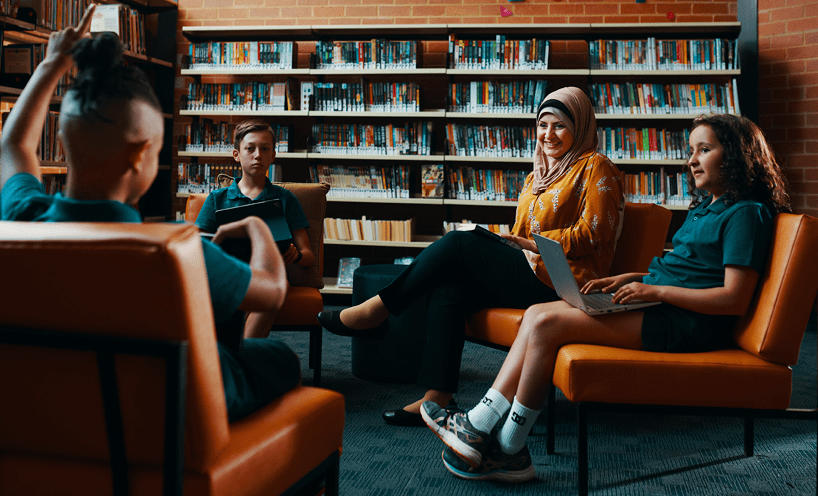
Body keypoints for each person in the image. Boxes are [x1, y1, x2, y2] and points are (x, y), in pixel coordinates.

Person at [421, 113, 791, 482]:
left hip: (686, 324)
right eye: (691, 150)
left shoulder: (746, 213)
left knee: (547, 324)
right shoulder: (708, 208)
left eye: (705, 149)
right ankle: (491, 433)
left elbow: (733, 299)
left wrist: (654, 290)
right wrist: (632, 278)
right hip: (661, 307)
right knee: (536, 313)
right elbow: (690, 272)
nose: (692, 160)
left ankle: (502, 441)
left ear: (738, 156)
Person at [0, 6, 296, 422]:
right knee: (277, 356)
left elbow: (13, 148)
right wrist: (260, 227)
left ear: (64, 144)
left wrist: (53, 63)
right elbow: (272, 291)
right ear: (142, 156)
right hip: (161, 407)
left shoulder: (23, 217)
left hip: (49, 408)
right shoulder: (176, 249)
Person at [318, 87, 625, 427]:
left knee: (458, 244)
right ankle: (438, 398)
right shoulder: (537, 175)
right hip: (531, 270)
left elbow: (596, 235)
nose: (548, 135)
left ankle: (376, 310)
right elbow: (520, 232)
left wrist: (531, 243)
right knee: (449, 286)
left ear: (580, 127)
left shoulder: (596, 167)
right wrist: (508, 242)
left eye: (560, 126)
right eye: (542, 125)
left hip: (565, 280)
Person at [194, 118, 314, 338]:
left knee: (279, 284)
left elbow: (309, 256)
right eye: (250, 148)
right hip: (228, 269)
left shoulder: (285, 199)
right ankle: (241, 353)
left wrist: (296, 256)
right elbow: (198, 245)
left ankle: (245, 351)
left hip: (266, 272)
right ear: (236, 155)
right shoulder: (216, 199)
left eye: (265, 149)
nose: (258, 155)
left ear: (273, 156)